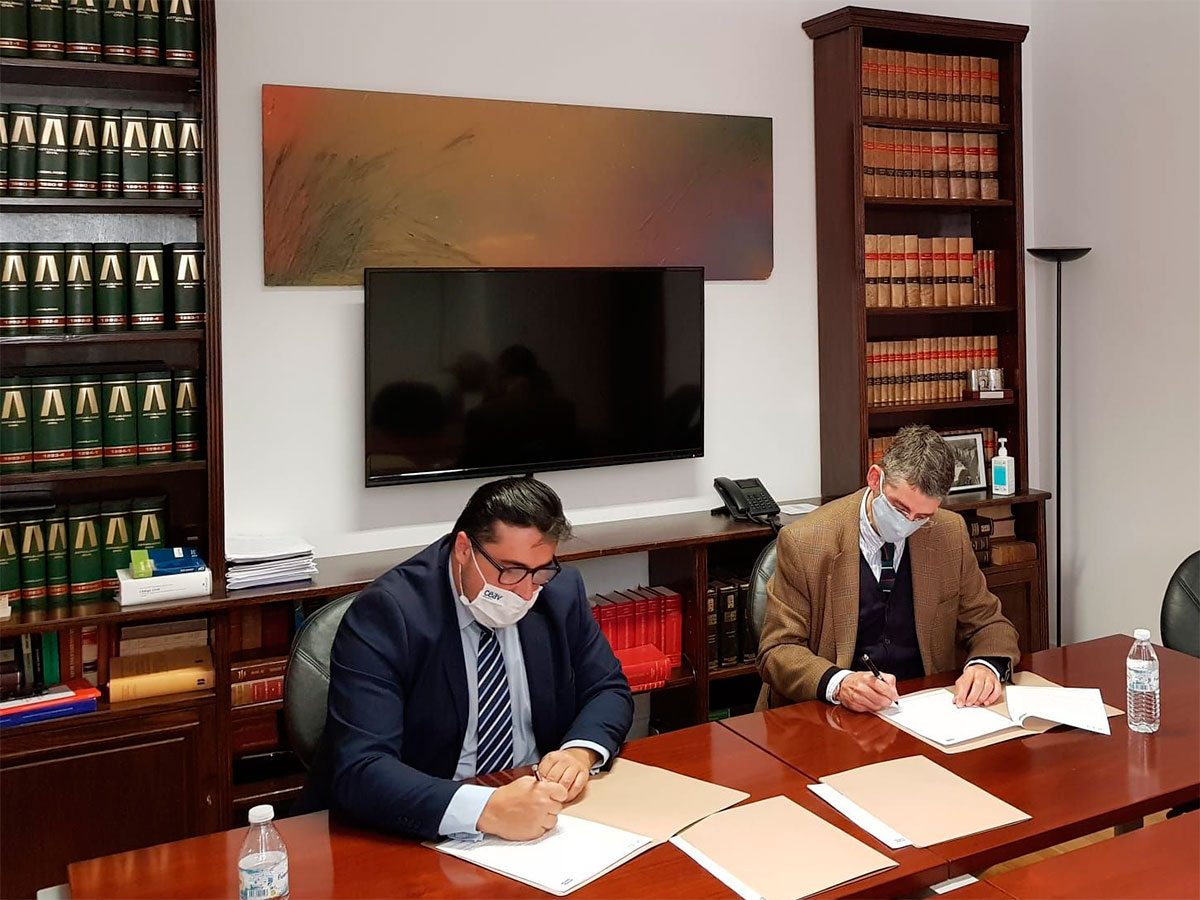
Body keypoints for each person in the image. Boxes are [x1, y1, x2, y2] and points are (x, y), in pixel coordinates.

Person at [306, 477, 633, 841]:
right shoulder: (388, 613)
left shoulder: (559, 591)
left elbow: (607, 688)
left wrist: (579, 753)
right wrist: (484, 809)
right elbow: (363, 769)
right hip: (423, 822)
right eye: (510, 571)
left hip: (537, 809)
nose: (525, 592)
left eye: (540, 571)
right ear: (464, 549)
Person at [757, 425, 1020, 713]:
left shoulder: (948, 532)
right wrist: (840, 684)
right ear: (875, 479)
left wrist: (985, 666)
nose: (907, 523)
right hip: (830, 712)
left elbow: (989, 624)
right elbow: (778, 650)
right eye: (899, 509)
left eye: (921, 516)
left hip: (923, 707)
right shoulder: (805, 542)